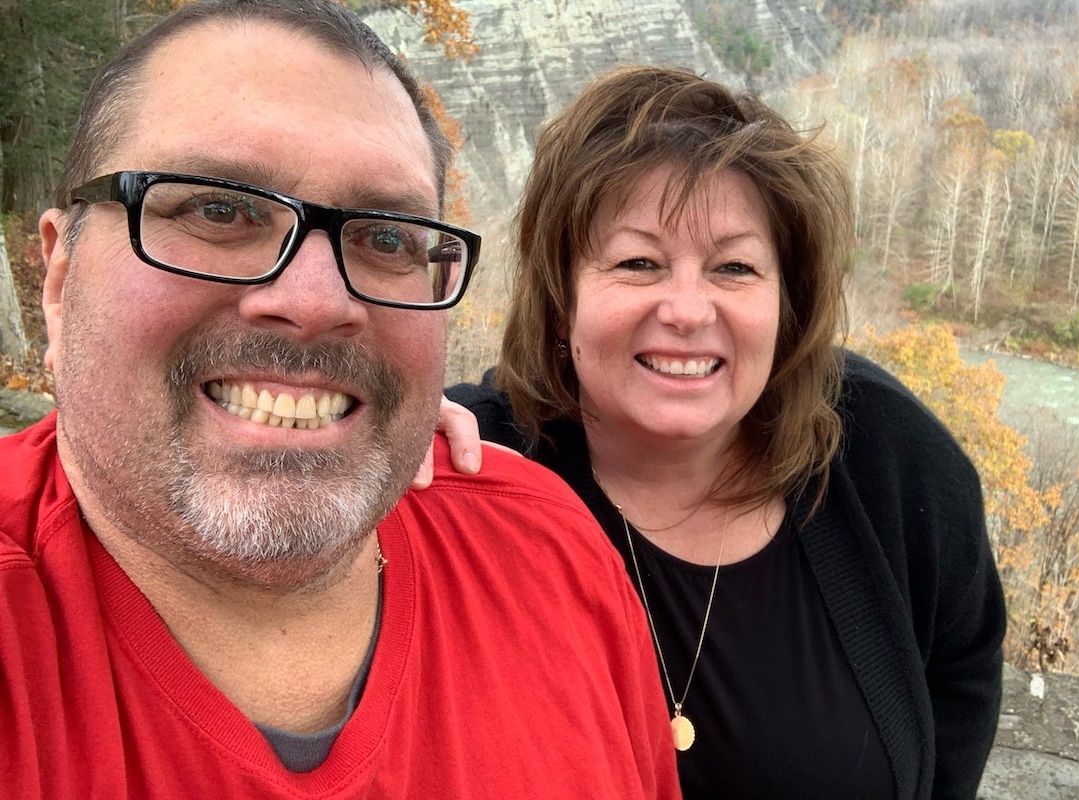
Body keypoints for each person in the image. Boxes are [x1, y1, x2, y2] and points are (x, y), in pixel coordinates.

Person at [0, 3, 682, 797]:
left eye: (387, 237)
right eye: (218, 209)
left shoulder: (551, 556)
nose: (317, 301)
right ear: (58, 278)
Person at [444, 65, 1006, 799]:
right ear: (561, 301)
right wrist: (377, 443)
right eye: (638, 262)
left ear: (786, 305)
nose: (686, 309)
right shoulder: (471, 470)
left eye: (734, 267)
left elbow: (962, 659)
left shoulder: (886, 454)